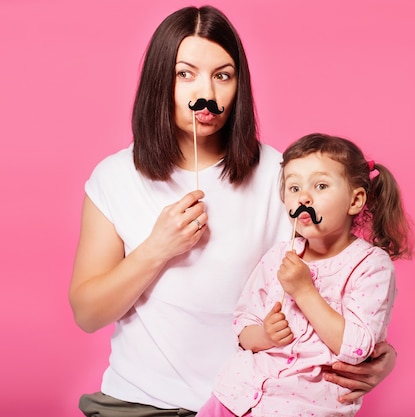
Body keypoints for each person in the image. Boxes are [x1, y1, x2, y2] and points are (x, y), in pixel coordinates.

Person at [69, 5, 397, 417]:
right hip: (139, 402)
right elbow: (87, 313)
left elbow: (334, 283)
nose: (205, 93)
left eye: (222, 76)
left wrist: (380, 355)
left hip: (256, 402)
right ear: (159, 81)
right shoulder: (115, 177)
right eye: (184, 74)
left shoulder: (281, 177)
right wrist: (157, 247)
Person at [197, 133, 413, 417]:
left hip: (301, 408)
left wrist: (304, 291)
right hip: (234, 396)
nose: (304, 197)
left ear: (356, 199)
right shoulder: (279, 255)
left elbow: (357, 348)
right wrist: (265, 335)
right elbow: (243, 324)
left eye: (320, 185)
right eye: (294, 187)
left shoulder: (371, 265)